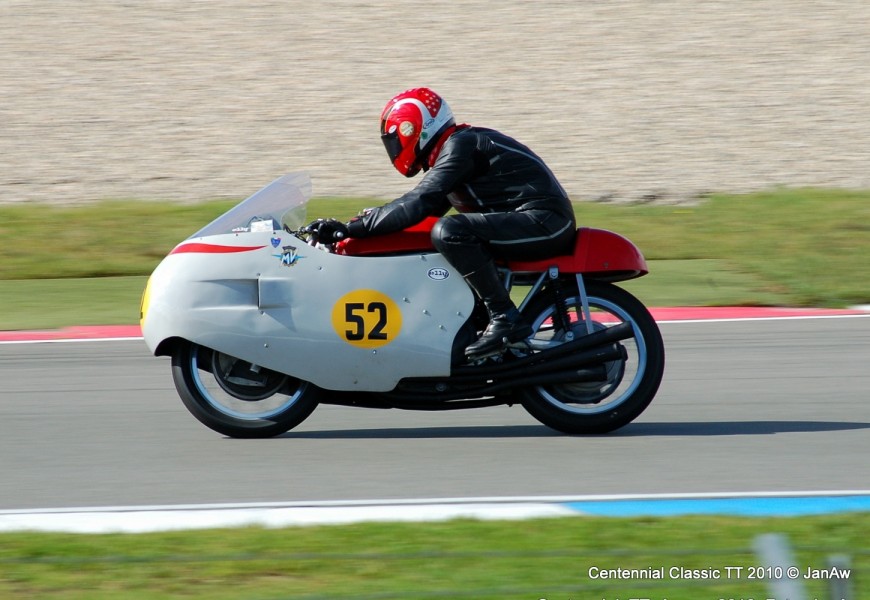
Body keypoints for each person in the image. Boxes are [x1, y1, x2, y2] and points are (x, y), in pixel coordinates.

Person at [308, 87, 576, 359]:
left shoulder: (461, 145)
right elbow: (421, 210)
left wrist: (351, 228)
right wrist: (361, 225)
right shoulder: (450, 152)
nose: (395, 147)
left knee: (450, 231)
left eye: (396, 138)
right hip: (533, 220)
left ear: (416, 129)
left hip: (544, 222)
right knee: (433, 236)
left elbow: (418, 202)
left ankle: (505, 318)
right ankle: (476, 322)